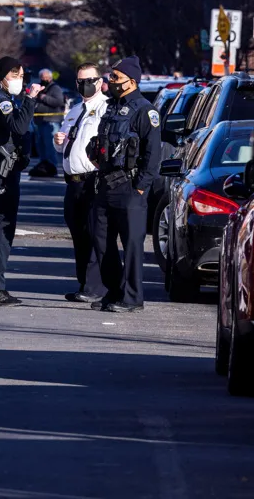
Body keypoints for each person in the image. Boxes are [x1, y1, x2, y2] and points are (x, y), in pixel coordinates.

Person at [86, 56, 162, 313]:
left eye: (116, 77)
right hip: (105, 185)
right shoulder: (111, 107)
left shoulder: (144, 111)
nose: (111, 81)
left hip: (130, 189)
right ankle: (114, 293)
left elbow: (152, 156)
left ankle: (132, 298)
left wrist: (140, 187)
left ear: (131, 82)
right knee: (101, 243)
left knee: (131, 247)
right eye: (111, 76)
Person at [0, 56, 44, 306]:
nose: (20, 80)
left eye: (23, 76)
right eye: (16, 76)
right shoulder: (0, 101)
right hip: (1, 171)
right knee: (2, 231)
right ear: (4, 76)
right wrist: (30, 100)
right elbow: (18, 126)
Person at [53, 62, 107, 302]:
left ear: (99, 82)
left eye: (89, 81)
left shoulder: (106, 109)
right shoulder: (75, 110)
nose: (84, 85)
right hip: (72, 182)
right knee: (78, 234)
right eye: (80, 81)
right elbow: (63, 145)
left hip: (93, 180)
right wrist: (58, 140)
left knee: (95, 233)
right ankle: (84, 283)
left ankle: (97, 287)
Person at [30, 69, 65, 177]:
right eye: (41, 77)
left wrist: (44, 98)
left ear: (50, 78)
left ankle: (52, 166)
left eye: (45, 77)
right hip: (40, 121)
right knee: (41, 146)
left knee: (50, 146)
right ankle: (44, 165)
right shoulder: (40, 88)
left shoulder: (55, 88)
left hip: (51, 122)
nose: (43, 79)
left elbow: (59, 102)